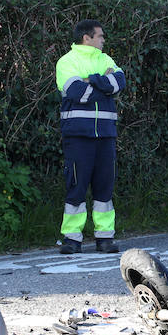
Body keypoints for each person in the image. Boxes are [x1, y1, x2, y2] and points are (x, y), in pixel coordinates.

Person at [55, 19, 126, 254]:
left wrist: (90, 79)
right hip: (77, 135)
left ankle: (104, 238)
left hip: (105, 134)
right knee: (76, 185)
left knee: (104, 187)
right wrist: (102, 82)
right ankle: (71, 239)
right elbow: (77, 93)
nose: (104, 40)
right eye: (100, 36)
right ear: (87, 38)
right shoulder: (67, 61)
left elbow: (119, 83)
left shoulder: (106, 59)